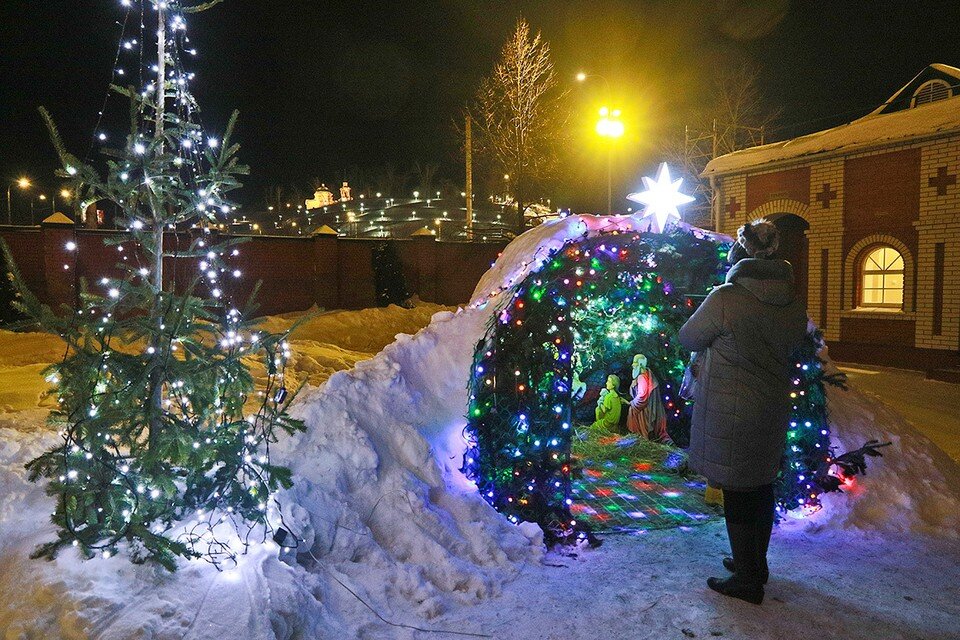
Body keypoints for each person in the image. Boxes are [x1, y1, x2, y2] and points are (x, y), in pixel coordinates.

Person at [678, 219, 807, 605]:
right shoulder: (791, 299)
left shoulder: (727, 297)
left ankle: (748, 580)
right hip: (771, 407)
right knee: (761, 486)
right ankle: (755, 563)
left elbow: (688, 336)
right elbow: (796, 341)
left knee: (737, 491)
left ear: (741, 252)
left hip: (733, 409)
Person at [626, 354, 672, 444]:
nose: (632, 365)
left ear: (640, 364)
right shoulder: (648, 374)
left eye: (634, 362)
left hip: (644, 409)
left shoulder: (641, 377)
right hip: (648, 407)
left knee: (632, 412)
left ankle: (640, 439)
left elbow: (642, 395)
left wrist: (631, 403)